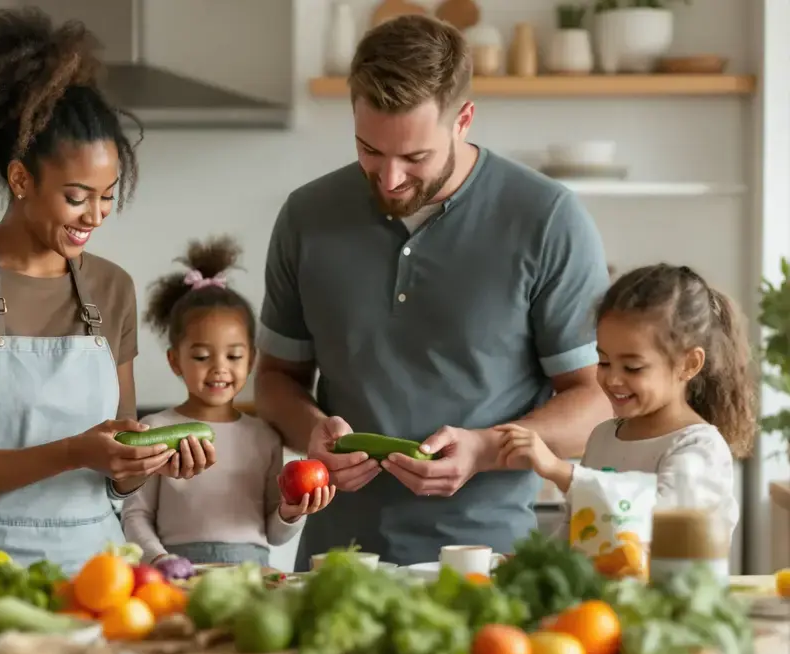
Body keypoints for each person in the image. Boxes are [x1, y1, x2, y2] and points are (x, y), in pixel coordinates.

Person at [253, 15, 615, 570]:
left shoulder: (547, 220)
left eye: (414, 157)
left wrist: (487, 449)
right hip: (334, 563)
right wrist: (311, 431)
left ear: (463, 119)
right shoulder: (306, 217)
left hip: (488, 560)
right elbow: (276, 379)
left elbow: (596, 399)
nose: (390, 177)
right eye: (369, 150)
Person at [0, 7, 213, 574]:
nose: (94, 215)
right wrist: (73, 451)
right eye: (76, 196)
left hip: (96, 573)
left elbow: (116, 478)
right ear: (21, 180)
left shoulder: (111, 287)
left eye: (108, 195)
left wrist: (147, 462)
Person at [121, 236, 335, 567]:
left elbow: (275, 533)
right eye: (202, 355)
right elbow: (135, 515)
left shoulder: (265, 435)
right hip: (177, 575)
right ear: (175, 361)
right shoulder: (155, 430)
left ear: (251, 362)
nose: (220, 368)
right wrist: (159, 559)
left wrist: (293, 513)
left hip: (254, 577)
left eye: (234, 355)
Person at [497, 264, 753, 539]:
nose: (613, 379)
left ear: (689, 364)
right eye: (604, 361)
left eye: (632, 367)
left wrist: (562, 472)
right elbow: (581, 529)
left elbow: (659, 519)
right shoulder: (603, 436)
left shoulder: (700, 447)